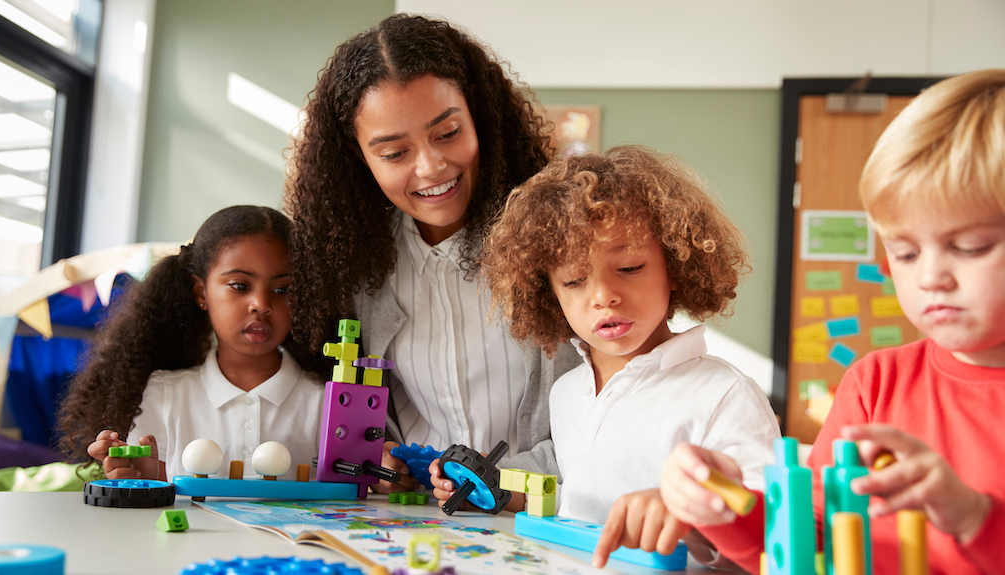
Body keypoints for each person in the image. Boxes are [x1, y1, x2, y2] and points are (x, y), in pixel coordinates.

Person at [660, 69, 1005, 574]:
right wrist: (722, 507)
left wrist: (975, 518)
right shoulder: (874, 383)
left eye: (969, 246)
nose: (931, 275)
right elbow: (809, 543)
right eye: (905, 252)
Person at [283, 14, 580, 491]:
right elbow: (365, 408)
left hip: (540, 515)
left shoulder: (559, 242)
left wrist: (500, 483)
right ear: (361, 159)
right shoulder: (356, 268)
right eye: (395, 153)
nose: (431, 166)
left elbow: (602, 410)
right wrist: (382, 455)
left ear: (479, 119)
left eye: (447, 133)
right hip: (414, 523)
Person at [470, 145, 779, 568]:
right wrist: (490, 493)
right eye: (575, 280)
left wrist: (688, 519)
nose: (603, 296)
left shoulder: (726, 394)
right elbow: (579, 499)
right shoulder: (567, 392)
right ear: (549, 293)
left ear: (675, 265)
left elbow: (772, 535)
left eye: (630, 267)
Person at [56, 206, 328, 482]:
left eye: (282, 290)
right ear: (201, 292)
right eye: (240, 285)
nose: (261, 305)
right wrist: (140, 477)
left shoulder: (328, 401)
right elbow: (151, 503)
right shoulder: (164, 395)